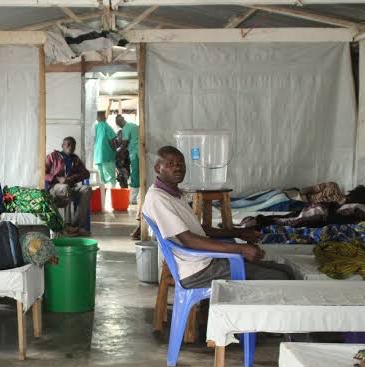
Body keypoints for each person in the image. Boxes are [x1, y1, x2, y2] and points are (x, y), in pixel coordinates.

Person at [142, 146, 293, 288]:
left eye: (181, 163)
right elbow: (189, 240)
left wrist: (239, 233)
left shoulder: (173, 194)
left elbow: (200, 230)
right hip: (197, 271)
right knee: (279, 277)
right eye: (170, 164)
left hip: (205, 260)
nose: (177, 167)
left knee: (286, 270)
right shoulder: (158, 198)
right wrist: (240, 249)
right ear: (157, 168)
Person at [45, 137, 91, 236]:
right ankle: (67, 225)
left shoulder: (75, 159)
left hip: (70, 186)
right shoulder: (52, 156)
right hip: (54, 187)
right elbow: (43, 173)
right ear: (62, 146)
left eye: (73, 145)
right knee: (65, 188)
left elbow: (86, 174)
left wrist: (73, 178)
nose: (71, 147)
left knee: (86, 189)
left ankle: (76, 226)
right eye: (68, 144)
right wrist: (58, 179)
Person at [116, 115, 140, 204]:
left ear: (120, 122)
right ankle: (136, 196)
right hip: (140, 151)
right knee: (138, 173)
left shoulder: (126, 128)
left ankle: (133, 198)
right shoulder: (133, 125)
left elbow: (125, 143)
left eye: (118, 123)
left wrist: (118, 153)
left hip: (135, 152)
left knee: (135, 173)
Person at [94, 111, 117, 188]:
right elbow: (112, 140)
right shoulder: (106, 126)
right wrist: (115, 151)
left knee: (102, 180)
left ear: (96, 118)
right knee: (111, 178)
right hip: (107, 156)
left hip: (97, 157)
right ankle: (112, 194)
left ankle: (102, 195)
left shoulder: (95, 127)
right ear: (104, 117)